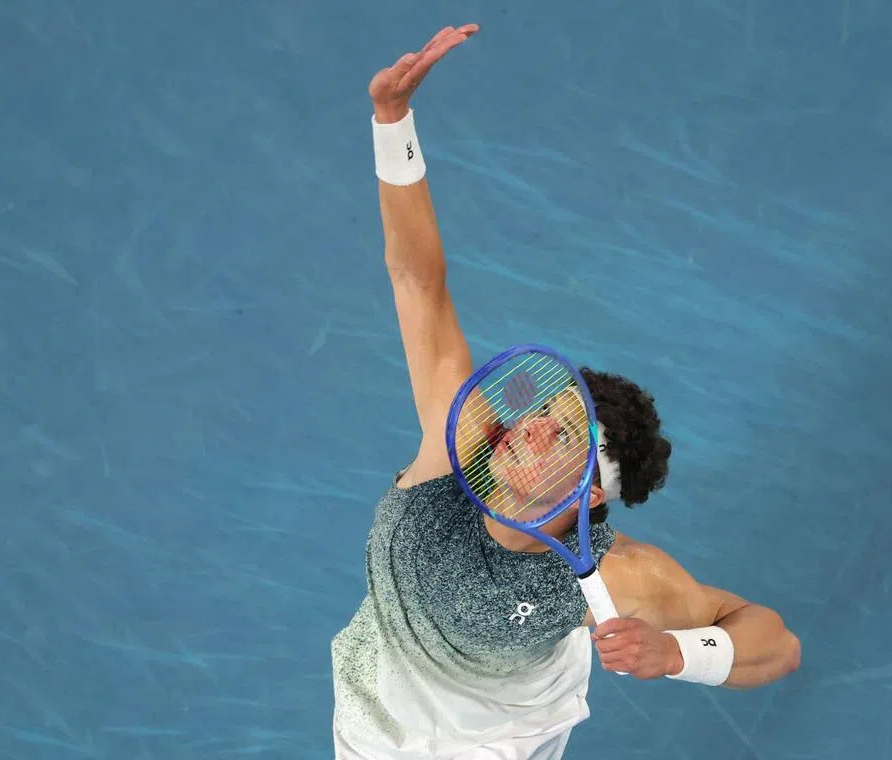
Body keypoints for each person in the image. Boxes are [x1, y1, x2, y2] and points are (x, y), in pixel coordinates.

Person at [331, 24, 802, 759]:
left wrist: (681, 656)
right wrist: (393, 122)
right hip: (370, 721)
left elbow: (776, 643)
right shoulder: (457, 441)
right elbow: (418, 281)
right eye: (540, 411)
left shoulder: (617, 576)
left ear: (588, 495)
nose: (525, 428)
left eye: (558, 435)